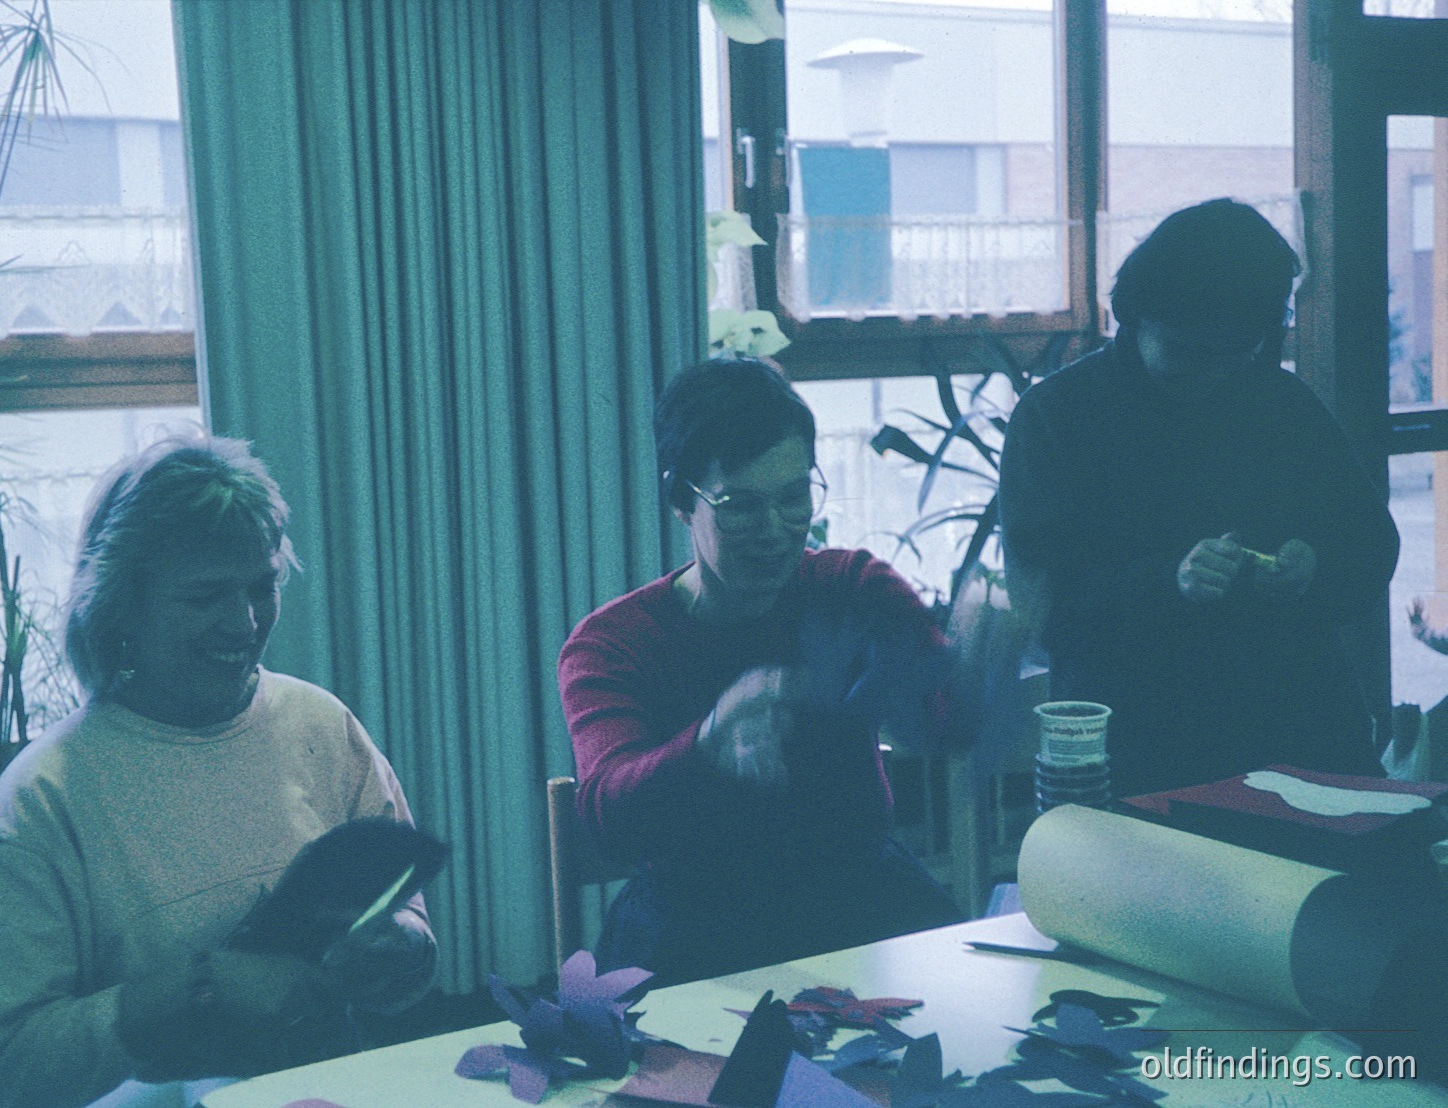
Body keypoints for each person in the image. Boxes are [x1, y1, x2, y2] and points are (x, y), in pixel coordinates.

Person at [0, 436, 437, 1108]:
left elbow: (409, 939)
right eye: (207, 595)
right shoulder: (44, 797)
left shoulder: (322, 727)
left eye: (261, 585)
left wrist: (399, 948)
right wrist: (199, 987)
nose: (243, 622)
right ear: (121, 605)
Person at [558, 358, 961, 986]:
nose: (776, 531)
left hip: (861, 903)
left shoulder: (851, 586)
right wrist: (708, 738)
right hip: (694, 927)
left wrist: (969, 670)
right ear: (681, 502)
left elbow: (945, 723)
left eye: (793, 496)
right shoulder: (612, 644)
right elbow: (608, 816)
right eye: (740, 506)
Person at [999, 199, 1399, 798]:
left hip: (1302, 729)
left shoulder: (1281, 402)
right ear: (1133, 317)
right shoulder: (1058, 419)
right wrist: (1171, 583)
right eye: (1189, 350)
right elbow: (1044, 606)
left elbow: (1371, 544)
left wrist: (1316, 565)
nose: (1216, 370)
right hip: (1146, 744)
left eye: (1240, 347)